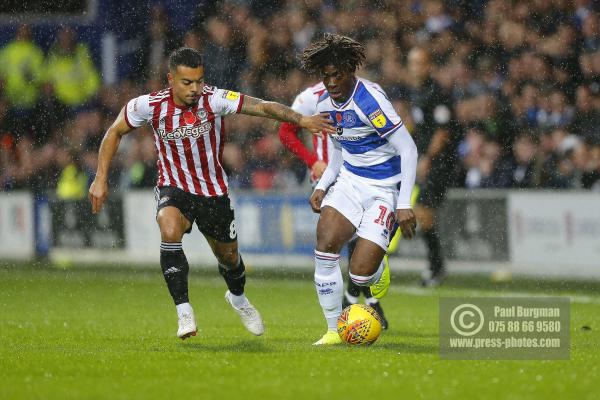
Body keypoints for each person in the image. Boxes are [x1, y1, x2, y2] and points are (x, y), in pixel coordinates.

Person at [88, 47, 335, 340]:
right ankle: (184, 312)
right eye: (187, 82)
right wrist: (100, 178)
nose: (195, 89)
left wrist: (301, 120)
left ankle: (238, 297)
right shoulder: (148, 105)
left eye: (199, 81)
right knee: (169, 229)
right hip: (173, 187)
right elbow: (114, 132)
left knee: (229, 258)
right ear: (171, 79)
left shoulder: (215, 99)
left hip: (213, 192)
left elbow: (263, 106)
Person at [300, 34, 418, 345]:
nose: (331, 82)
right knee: (325, 245)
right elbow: (340, 149)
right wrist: (324, 185)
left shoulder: (371, 100)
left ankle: (377, 269)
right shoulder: (325, 103)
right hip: (350, 182)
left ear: (351, 70)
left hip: (384, 190)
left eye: (337, 74)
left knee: (360, 275)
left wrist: (404, 203)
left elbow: (408, 149)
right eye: (326, 76)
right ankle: (332, 330)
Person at [279, 81, 390, 330]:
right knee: (336, 241)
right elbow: (285, 132)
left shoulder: (363, 93)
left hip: (360, 175)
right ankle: (362, 302)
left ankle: (359, 300)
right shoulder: (310, 97)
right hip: (328, 177)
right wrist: (312, 161)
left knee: (361, 238)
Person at [405, 47, 457, 287]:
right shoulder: (416, 92)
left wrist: (427, 158)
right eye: (412, 63)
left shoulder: (438, 93)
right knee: (423, 214)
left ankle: (436, 267)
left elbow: (442, 131)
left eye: (420, 63)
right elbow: (422, 127)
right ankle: (436, 266)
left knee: (423, 212)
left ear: (429, 66)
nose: (416, 68)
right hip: (426, 160)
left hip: (440, 162)